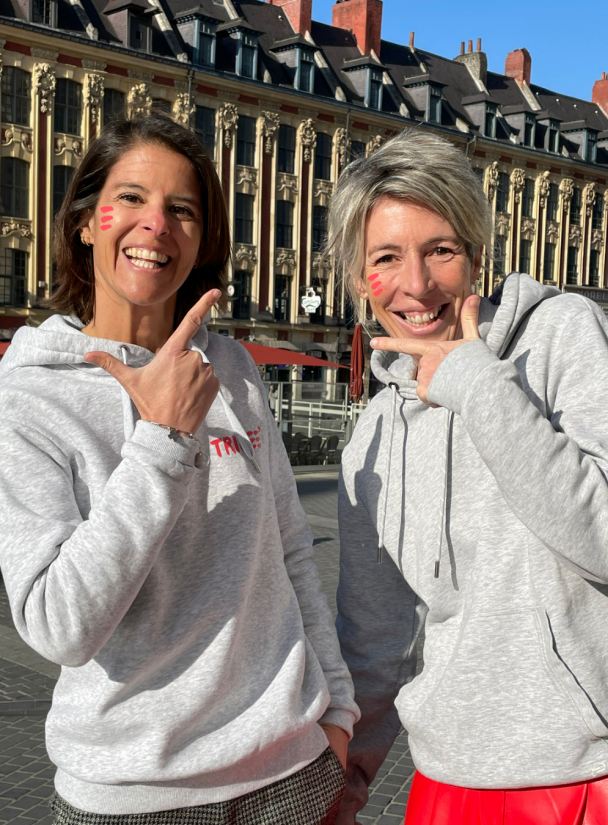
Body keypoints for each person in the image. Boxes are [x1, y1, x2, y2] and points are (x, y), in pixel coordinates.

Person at [0, 113, 358, 825]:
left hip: (291, 773)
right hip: (135, 798)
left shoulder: (234, 369)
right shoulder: (30, 395)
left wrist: (339, 714)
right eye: (130, 198)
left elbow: (290, 551)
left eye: (181, 209)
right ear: (84, 222)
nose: (155, 225)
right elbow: (58, 623)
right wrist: (162, 439)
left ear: (201, 240)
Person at [328, 129, 608, 824]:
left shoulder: (563, 332)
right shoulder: (373, 435)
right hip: (453, 777)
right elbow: (376, 633)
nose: (416, 284)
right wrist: (350, 773)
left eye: (440, 250)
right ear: (363, 279)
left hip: (605, 771)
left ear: (477, 253)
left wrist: (478, 384)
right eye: (387, 258)